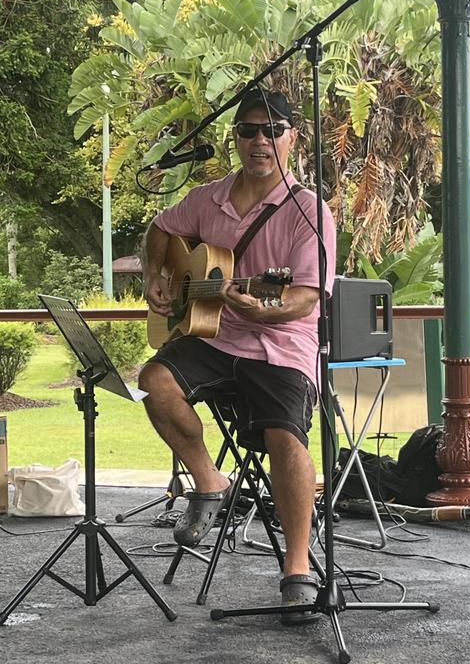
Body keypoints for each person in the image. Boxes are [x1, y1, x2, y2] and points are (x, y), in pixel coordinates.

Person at [138, 88, 336, 623]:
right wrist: (159, 275)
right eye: (249, 130)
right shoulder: (208, 199)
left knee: (284, 437)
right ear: (235, 138)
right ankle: (209, 481)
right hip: (213, 336)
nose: (260, 141)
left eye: (273, 130)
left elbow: (300, 298)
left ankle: (296, 567)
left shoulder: (309, 212)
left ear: (293, 138)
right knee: (154, 380)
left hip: (281, 345)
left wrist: (256, 305)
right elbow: (161, 229)